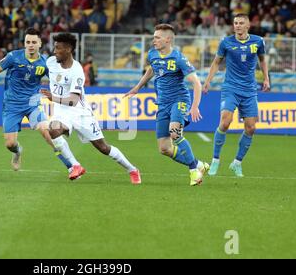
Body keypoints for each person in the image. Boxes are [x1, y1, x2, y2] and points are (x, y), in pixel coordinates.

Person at [40, 33, 141, 184]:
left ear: (68, 49)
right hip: (61, 112)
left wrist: (53, 98)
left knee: (103, 147)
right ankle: (76, 165)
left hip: (80, 113)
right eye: (55, 48)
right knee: (53, 130)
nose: (55, 51)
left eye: (58, 48)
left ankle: (132, 169)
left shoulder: (77, 70)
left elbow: (73, 101)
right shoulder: (50, 62)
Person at [124, 24, 209, 186]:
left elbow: (197, 83)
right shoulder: (152, 54)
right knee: (164, 148)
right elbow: (151, 70)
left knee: (175, 133)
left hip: (179, 100)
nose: (153, 40)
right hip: (162, 104)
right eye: (154, 37)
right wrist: (137, 87)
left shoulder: (179, 58)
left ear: (168, 39)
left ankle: (194, 172)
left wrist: (195, 106)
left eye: (157, 37)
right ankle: (199, 164)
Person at [0, 28, 72, 172]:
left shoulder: (44, 63)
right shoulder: (13, 57)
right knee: (10, 144)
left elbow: (56, 80)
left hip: (32, 105)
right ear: (24, 43)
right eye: (28, 42)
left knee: (47, 134)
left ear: (40, 43)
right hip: (12, 105)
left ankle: (71, 166)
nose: (30, 45)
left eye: (34, 42)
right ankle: (17, 152)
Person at [203, 14, 270, 177]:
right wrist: (207, 81)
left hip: (249, 90)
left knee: (251, 127)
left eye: (241, 23)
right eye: (235, 23)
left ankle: (237, 163)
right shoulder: (226, 42)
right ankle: (215, 160)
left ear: (248, 25)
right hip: (230, 87)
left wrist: (266, 78)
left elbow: (262, 60)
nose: (238, 26)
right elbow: (216, 62)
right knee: (225, 122)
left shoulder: (258, 41)